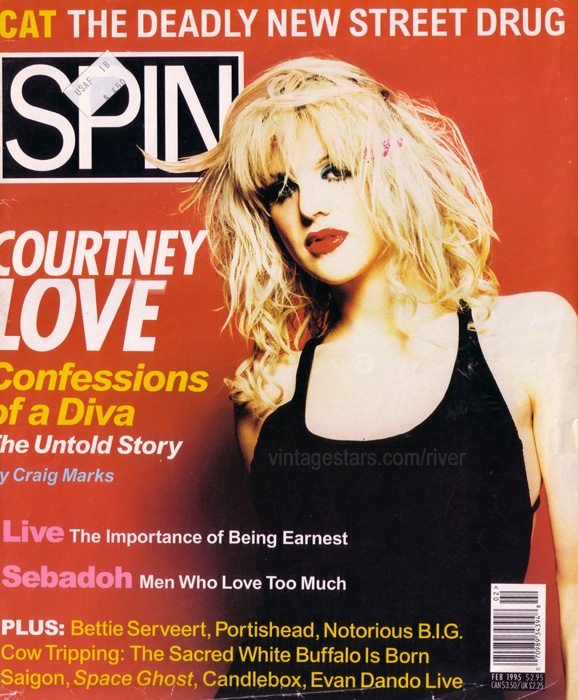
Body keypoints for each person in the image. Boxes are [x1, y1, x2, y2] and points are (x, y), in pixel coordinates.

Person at [162, 57, 578, 699]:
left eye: (335, 170)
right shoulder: (271, 393)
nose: (309, 207)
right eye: (281, 190)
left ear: (390, 168)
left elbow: (569, 583)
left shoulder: (530, 335)